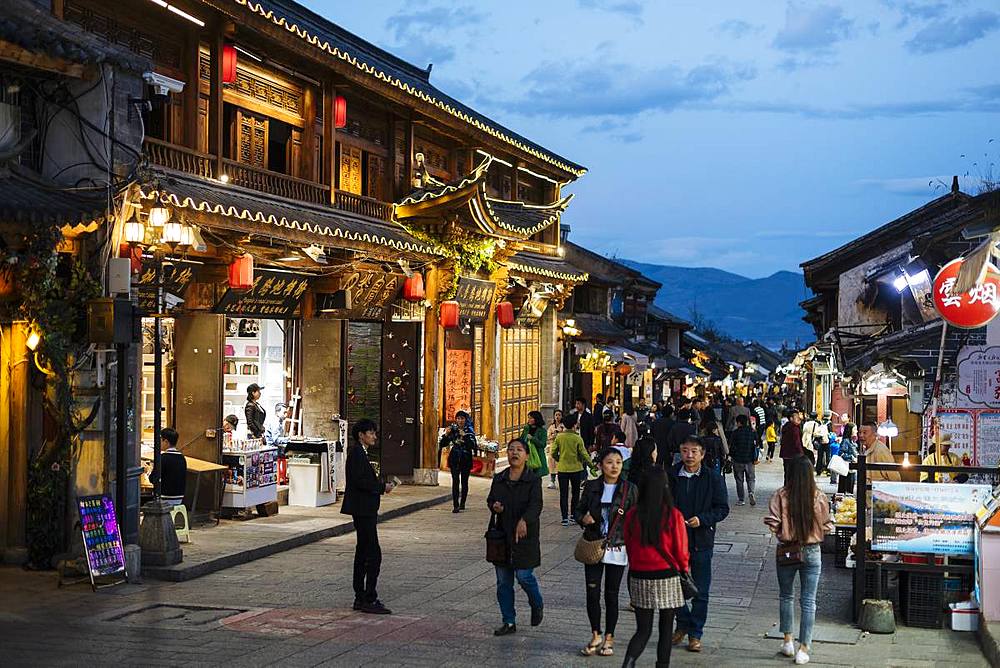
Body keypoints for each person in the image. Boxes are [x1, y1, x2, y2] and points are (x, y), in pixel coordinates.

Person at [764, 457, 833, 666]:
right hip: (812, 551)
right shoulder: (819, 497)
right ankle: (804, 648)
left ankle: (787, 641)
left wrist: (784, 530)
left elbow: (772, 523)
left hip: (787, 551)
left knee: (786, 596)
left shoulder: (780, 495)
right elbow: (828, 526)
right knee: (809, 601)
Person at [620, 466, 689, 668]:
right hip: (667, 575)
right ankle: (662, 665)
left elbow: (629, 546)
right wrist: (684, 569)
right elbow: (681, 550)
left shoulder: (632, 515)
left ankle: (628, 662)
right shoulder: (673, 515)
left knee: (643, 630)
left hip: (640, 575)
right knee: (666, 628)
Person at [669, 435, 730, 652]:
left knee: (701, 590)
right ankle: (683, 622)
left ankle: (695, 633)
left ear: (702, 454)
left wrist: (702, 520)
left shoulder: (712, 478)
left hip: (701, 540)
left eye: (694, 451)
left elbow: (722, 508)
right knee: (673, 587)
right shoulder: (672, 475)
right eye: (685, 450)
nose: (689, 455)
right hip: (675, 541)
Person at [576, 447, 638, 657]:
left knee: (611, 595)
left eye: (618, 462)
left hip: (618, 547)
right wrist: (582, 518)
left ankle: (609, 637)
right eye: (610, 462)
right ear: (601, 465)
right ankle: (596, 634)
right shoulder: (592, 486)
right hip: (594, 545)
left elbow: (636, 518)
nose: (614, 466)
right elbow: (578, 509)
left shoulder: (629, 489)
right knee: (592, 593)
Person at [488, 438, 544, 636]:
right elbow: (491, 499)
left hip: (524, 537)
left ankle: (536, 603)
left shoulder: (533, 480)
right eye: (511, 449)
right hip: (502, 536)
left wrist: (524, 520)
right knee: (503, 582)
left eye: (519, 450)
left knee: (524, 576)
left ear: (526, 455)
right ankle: (508, 621)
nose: (514, 453)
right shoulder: (500, 478)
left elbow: (536, 505)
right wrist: (495, 506)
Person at [342, 418, 395, 614]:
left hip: (365, 509)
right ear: (361, 435)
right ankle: (368, 597)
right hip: (362, 509)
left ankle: (361, 596)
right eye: (370, 433)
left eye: (374, 432)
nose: (374, 436)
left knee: (363, 551)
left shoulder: (361, 453)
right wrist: (382, 487)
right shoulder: (357, 453)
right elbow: (361, 482)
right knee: (373, 554)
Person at [551, 413, 591, 526]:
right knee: (575, 493)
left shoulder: (559, 437)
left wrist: (559, 459)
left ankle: (564, 517)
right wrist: (592, 465)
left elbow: (553, 452)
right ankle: (574, 515)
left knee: (563, 494)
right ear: (574, 425)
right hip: (576, 469)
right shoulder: (577, 438)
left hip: (563, 469)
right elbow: (584, 454)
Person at [440, 411, 476, 513]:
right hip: (455, 458)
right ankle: (455, 504)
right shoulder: (453, 430)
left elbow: (473, 445)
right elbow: (443, 444)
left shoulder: (469, 430)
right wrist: (446, 435)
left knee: (464, 482)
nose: (460, 421)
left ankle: (462, 503)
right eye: (458, 418)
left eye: (462, 418)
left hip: (465, 459)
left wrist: (464, 436)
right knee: (455, 481)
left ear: (466, 420)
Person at [151, 427, 186, 507]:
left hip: (165, 498)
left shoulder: (162, 458)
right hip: (179, 498)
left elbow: (153, 479)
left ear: (166, 441)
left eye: (160, 439)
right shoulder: (182, 458)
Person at [730, 414, 758, 506]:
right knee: (751, 478)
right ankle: (751, 492)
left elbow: (732, 446)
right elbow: (757, 443)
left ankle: (741, 499)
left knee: (739, 480)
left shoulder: (735, 433)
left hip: (738, 460)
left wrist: (731, 456)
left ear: (739, 423)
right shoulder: (752, 432)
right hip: (750, 459)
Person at [521, 411, 549, 482]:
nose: (529, 420)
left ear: (536, 419)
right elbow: (521, 440)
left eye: (531, 418)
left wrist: (533, 439)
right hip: (527, 456)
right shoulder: (526, 429)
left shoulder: (542, 431)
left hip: (537, 457)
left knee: (536, 479)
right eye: (528, 418)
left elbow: (542, 444)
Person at [780, 409, 805, 483]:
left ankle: (786, 489)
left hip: (785, 454)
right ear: (791, 418)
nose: (798, 418)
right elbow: (797, 442)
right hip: (793, 454)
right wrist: (801, 453)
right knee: (793, 474)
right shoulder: (794, 428)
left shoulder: (786, 426)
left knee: (787, 473)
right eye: (796, 417)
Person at [836, 423, 858, 493]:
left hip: (851, 469)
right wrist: (852, 457)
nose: (856, 431)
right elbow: (841, 453)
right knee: (846, 489)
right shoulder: (846, 441)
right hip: (846, 469)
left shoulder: (852, 441)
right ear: (850, 430)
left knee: (850, 488)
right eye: (855, 429)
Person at [546, 409, 565, 489]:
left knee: (560, 464)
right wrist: (553, 436)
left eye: (559, 415)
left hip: (561, 447)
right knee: (552, 464)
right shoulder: (551, 426)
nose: (557, 417)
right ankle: (552, 481)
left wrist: (558, 434)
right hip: (553, 447)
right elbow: (548, 436)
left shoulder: (563, 426)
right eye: (556, 415)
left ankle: (562, 482)